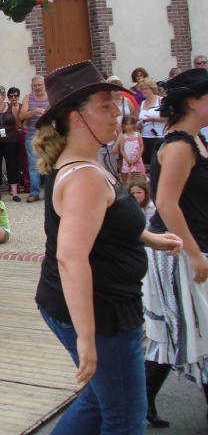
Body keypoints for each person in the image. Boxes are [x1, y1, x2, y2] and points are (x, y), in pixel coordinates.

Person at [32, 61, 182, 434]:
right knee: (126, 418)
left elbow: (104, 223)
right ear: (77, 118)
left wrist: (148, 237)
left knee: (101, 402)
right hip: (103, 315)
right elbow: (70, 256)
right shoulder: (83, 176)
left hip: (98, 306)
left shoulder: (88, 162)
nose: (118, 112)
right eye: (105, 105)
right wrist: (86, 337)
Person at [142, 68, 208, 428]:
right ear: (193, 102)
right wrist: (194, 253)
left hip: (191, 247)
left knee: (177, 332)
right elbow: (166, 204)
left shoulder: (195, 140)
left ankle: (142, 400)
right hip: (176, 251)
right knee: (186, 329)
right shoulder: (180, 145)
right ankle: (139, 401)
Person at [19, 76, 49, 202]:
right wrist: (34, 111)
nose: (37, 88)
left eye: (39, 85)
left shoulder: (51, 96)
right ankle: (34, 192)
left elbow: (58, 113)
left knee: (50, 164)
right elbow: (22, 115)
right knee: (33, 166)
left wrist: (46, 112)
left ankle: (50, 192)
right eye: (34, 86)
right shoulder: (28, 98)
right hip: (32, 137)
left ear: (44, 85)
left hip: (49, 137)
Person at [137, 76, 164, 166]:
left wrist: (152, 119)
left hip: (159, 136)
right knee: (148, 163)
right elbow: (140, 119)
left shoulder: (161, 100)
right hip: (145, 136)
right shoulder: (143, 103)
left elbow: (168, 118)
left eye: (146, 88)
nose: (144, 91)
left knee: (158, 162)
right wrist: (138, 125)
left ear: (152, 88)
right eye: (142, 89)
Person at [9, 87, 30, 193]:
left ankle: (28, 185)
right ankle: (14, 187)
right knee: (12, 162)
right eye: (11, 96)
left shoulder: (23, 107)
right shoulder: (6, 108)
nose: (13, 98)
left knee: (25, 161)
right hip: (10, 136)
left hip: (22, 134)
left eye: (15, 95)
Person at [113, 115, 144, 186]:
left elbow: (142, 146)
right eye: (126, 124)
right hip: (128, 159)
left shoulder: (138, 135)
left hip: (137, 158)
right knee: (130, 177)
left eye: (130, 124)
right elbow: (121, 149)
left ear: (134, 124)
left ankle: (144, 189)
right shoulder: (123, 136)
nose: (128, 126)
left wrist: (138, 157)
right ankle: (131, 191)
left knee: (143, 175)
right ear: (123, 125)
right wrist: (127, 160)